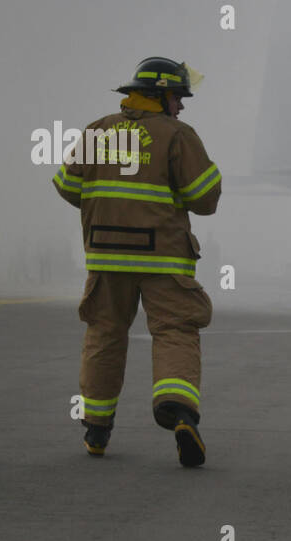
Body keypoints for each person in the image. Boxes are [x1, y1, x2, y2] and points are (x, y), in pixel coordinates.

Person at [51, 57, 221, 466]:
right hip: (163, 259)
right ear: (160, 96)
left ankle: (96, 429)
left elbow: (66, 185)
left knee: (104, 334)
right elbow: (206, 199)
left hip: (107, 257)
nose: (180, 106)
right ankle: (179, 413)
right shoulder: (178, 135)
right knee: (176, 330)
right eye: (178, 97)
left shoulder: (97, 130)